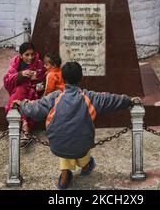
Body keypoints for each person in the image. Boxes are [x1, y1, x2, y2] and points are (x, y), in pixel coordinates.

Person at [13, 61, 135, 189]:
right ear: (82, 78)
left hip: (58, 146)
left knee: (65, 135)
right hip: (82, 146)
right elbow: (111, 100)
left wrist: (21, 104)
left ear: (63, 79)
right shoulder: (91, 98)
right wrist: (129, 101)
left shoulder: (54, 98)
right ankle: (85, 165)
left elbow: (35, 109)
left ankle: (65, 175)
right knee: (79, 140)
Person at [4, 42, 45, 146]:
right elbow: (7, 79)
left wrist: (36, 81)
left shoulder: (39, 63)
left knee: (25, 96)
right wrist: (20, 74)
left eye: (32, 54)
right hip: (19, 90)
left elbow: (42, 79)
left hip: (33, 90)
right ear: (21, 55)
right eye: (27, 55)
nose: (30, 57)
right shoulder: (15, 63)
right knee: (20, 90)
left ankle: (24, 125)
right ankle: (25, 127)